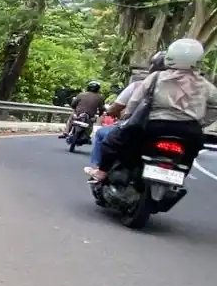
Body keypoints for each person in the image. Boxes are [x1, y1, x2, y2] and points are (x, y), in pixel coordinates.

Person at [88, 39, 217, 182]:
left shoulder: (156, 77)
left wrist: (128, 115)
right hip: (189, 129)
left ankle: (102, 172)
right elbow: (215, 106)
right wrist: (202, 122)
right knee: (190, 153)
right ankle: (178, 179)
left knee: (112, 141)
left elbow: (136, 99)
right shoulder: (205, 84)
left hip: (153, 126)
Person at [85, 52, 165, 170]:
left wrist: (126, 113)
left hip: (138, 126)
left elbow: (131, 103)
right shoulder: (191, 84)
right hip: (177, 131)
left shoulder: (142, 84)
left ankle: (100, 169)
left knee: (105, 136)